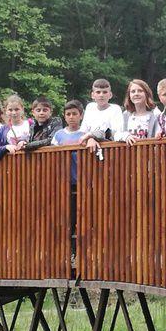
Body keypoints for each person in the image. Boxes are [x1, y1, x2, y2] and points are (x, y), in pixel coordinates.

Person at [51, 100, 85, 256]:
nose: (71, 117)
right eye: (68, 114)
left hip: (83, 181)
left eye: (74, 114)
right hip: (64, 182)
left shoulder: (86, 133)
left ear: (81, 115)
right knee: (67, 217)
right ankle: (69, 251)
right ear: (64, 116)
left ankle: (82, 251)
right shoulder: (58, 135)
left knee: (83, 216)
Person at [79, 78, 123, 151]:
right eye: (98, 92)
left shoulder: (115, 109)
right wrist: (90, 139)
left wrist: (92, 136)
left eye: (105, 92)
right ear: (92, 95)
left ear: (110, 95)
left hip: (110, 149)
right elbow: (83, 132)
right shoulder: (90, 107)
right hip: (91, 149)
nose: (101, 95)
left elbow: (114, 133)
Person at [115, 79, 161, 145]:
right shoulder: (125, 115)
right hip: (130, 150)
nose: (136, 94)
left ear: (146, 94)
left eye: (140, 91)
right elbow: (116, 134)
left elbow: (159, 135)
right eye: (133, 91)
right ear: (129, 96)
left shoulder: (155, 114)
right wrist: (126, 136)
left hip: (149, 150)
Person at [0, 95, 30, 159]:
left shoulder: (31, 125)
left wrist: (27, 144)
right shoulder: (3, 130)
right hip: (11, 163)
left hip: (31, 162)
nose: (14, 113)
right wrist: (5, 147)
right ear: (6, 111)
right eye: (10, 110)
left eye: (17, 109)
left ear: (22, 109)